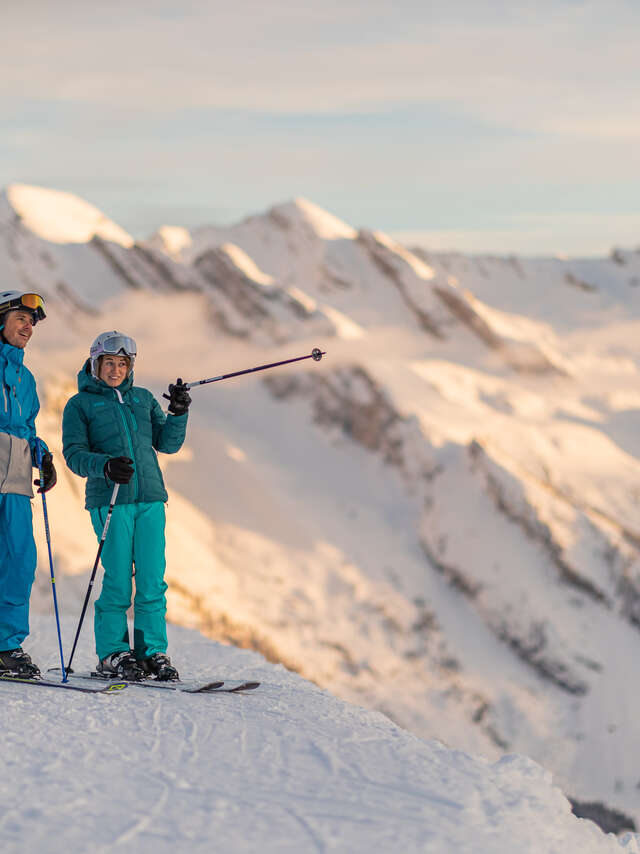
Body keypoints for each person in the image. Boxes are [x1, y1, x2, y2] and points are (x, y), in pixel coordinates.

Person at [62, 331, 191, 681]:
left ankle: (151, 653)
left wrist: (177, 413)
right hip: (111, 500)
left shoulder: (143, 399)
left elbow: (167, 443)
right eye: (109, 363)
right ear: (95, 364)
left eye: (122, 363)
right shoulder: (81, 404)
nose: (116, 369)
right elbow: (73, 455)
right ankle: (112, 653)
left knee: (152, 580)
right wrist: (104, 466)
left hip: (150, 499)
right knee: (118, 580)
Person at [0, 290, 56, 677]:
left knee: (19, 562)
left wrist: (43, 454)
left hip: (17, 480)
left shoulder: (27, 378)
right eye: (21, 318)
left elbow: (26, 426)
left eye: (31, 322)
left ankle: (5, 647)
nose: (28, 327)